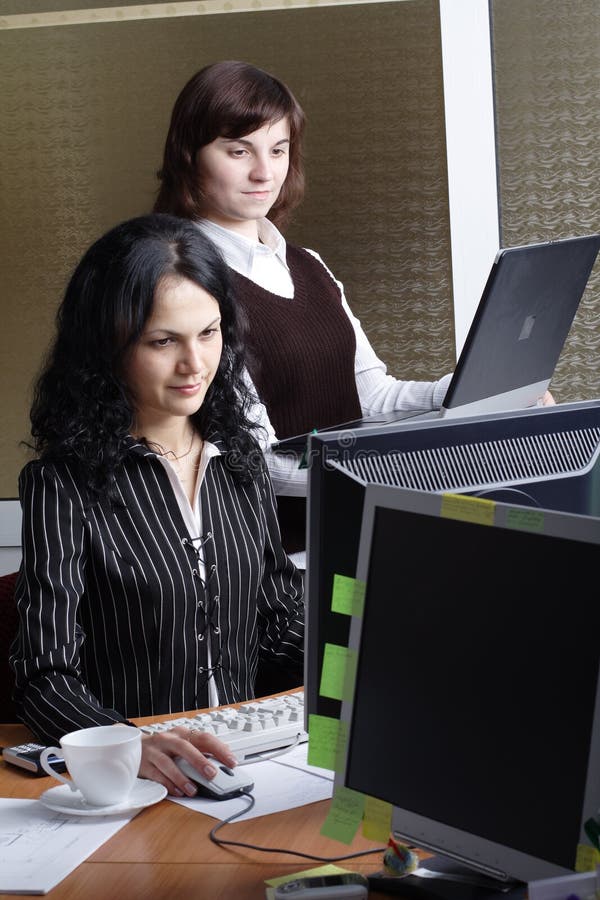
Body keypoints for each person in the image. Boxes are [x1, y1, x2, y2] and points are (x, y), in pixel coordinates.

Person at [9, 213, 304, 798]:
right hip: (137, 780)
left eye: (210, 333)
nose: (195, 364)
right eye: (163, 341)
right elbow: (43, 676)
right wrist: (125, 744)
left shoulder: (239, 457)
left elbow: (276, 625)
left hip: (261, 763)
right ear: (108, 348)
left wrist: (360, 660)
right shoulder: (63, 483)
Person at [151, 61, 449, 564]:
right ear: (189, 156)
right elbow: (256, 460)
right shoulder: (184, 281)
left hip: (353, 529)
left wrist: (467, 395)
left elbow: (371, 395)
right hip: (272, 559)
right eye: (238, 150)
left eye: (278, 149)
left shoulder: (308, 265)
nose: (264, 171)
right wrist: (396, 475)